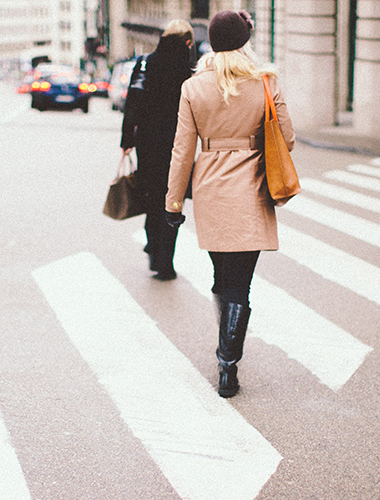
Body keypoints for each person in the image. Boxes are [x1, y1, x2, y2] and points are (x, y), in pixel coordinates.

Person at [164, 10, 295, 397]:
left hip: (211, 193)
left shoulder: (194, 87)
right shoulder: (265, 81)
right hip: (252, 191)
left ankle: (226, 353)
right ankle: (228, 364)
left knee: (223, 279)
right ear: (244, 41)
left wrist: (173, 203)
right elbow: (286, 137)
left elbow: (182, 150)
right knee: (241, 284)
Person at [120, 20, 194, 281]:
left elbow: (133, 102)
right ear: (187, 42)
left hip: (148, 143)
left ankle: (153, 248)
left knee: (152, 197)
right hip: (178, 145)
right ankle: (166, 262)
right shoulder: (189, 69)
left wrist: (126, 138)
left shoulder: (145, 63)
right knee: (173, 201)